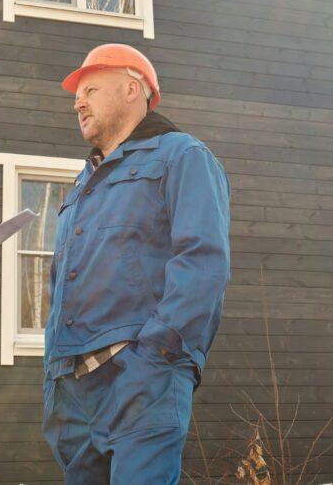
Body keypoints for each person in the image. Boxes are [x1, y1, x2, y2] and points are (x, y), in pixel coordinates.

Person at [42, 44, 231, 483]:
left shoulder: (182, 156)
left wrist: (156, 356)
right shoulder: (82, 183)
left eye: (89, 88)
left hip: (141, 376)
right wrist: (55, 377)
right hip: (72, 392)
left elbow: (204, 262)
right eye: (76, 94)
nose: (77, 101)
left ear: (132, 88)